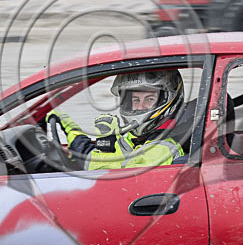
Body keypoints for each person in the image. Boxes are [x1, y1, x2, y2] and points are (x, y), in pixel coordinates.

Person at [47, 70, 185, 170]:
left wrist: (107, 149)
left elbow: (114, 182)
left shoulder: (164, 147)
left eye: (149, 99)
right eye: (135, 100)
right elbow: (89, 160)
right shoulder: (134, 138)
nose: (140, 107)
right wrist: (71, 129)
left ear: (166, 99)